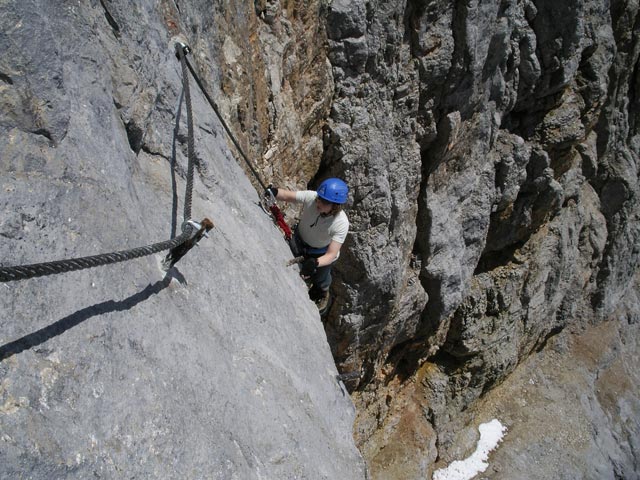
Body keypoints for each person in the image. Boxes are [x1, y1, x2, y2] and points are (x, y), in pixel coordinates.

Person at [265, 178, 350, 313]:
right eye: (319, 198)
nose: (319, 202)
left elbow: (331, 254)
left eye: (324, 201)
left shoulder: (341, 223)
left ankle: (322, 292)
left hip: (320, 253)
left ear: (335, 205)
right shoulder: (312, 197)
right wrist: (274, 192)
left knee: (321, 277)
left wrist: (315, 263)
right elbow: (288, 196)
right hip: (300, 240)